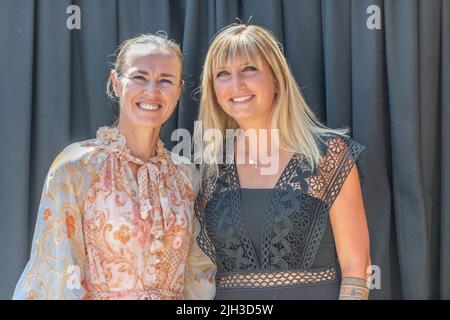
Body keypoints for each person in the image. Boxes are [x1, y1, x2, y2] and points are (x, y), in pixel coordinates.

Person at [13, 33, 216, 300]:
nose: (152, 91)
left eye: (165, 80)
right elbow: (56, 273)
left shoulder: (187, 176)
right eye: (139, 77)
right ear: (116, 83)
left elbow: (198, 276)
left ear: (178, 90)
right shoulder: (77, 168)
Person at [195, 23, 371, 300]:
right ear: (213, 89)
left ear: (276, 79)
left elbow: (356, 266)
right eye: (223, 74)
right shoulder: (208, 168)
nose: (236, 85)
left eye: (249, 70)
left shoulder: (327, 154)